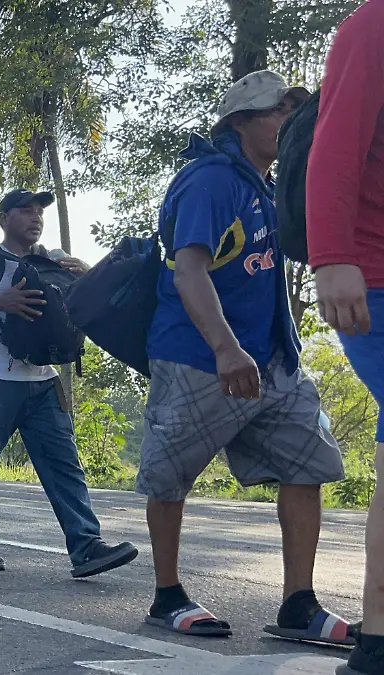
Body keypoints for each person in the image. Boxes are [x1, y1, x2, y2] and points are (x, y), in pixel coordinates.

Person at [138, 71, 348, 640]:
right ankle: (167, 595)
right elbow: (189, 269)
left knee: (309, 466)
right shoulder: (209, 180)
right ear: (240, 122)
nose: (289, 122)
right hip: (201, 355)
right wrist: (226, 348)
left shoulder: (267, 185)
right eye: (278, 112)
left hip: (273, 360)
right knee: (170, 475)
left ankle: (299, 605)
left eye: (291, 111)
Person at [0, 188, 138, 579]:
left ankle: (86, 546)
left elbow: (99, 298)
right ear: (4, 218)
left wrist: (89, 274)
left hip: (44, 379)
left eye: (39, 213)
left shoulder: (57, 260)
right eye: (25, 211)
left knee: (64, 465)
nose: (35, 218)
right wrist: (2, 301)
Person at [303, 2, 384, 671]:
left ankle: (381, 630)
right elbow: (335, 142)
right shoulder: (376, 23)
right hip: (375, 273)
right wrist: (332, 255)